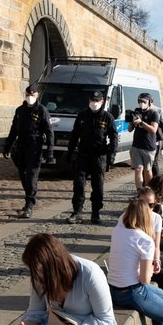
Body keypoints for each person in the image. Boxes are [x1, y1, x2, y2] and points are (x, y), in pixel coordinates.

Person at [65, 90, 117, 225]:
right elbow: (75, 134)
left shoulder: (107, 117)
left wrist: (111, 154)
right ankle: (77, 212)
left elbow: (113, 137)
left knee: (98, 186)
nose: (94, 103)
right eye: (92, 101)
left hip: (99, 156)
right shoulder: (82, 115)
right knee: (79, 184)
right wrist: (69, 152)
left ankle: (95, 213)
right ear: (89, 101)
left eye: (97, 101)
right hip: (83, 154)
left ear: (102, 102)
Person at [3, 84, 53, 219]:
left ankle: (29, 204)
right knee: (23, 175)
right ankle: (29, 199)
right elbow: (13, 130)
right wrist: (7, 146)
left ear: (37, 95)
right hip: (21, 146)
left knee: (31, 176)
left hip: (35, 147)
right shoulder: (20, 110)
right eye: (28, 95)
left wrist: (50, 151)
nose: (30, 97)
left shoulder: (42, 110)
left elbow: (49, 132)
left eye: (33, 95)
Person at [127, 92, 160, 190]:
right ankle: (139, 192)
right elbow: (129, 129)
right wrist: (133, 123)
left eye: (144, 101)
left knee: (147, 170)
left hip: (148, 146)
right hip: (136, 145)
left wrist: (142, 123)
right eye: (140, 101)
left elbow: (153, 130)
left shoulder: (154, 113)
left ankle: (148, 190)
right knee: (138, 169)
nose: (141, 103)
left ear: (149, 102)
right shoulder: (137, 111)